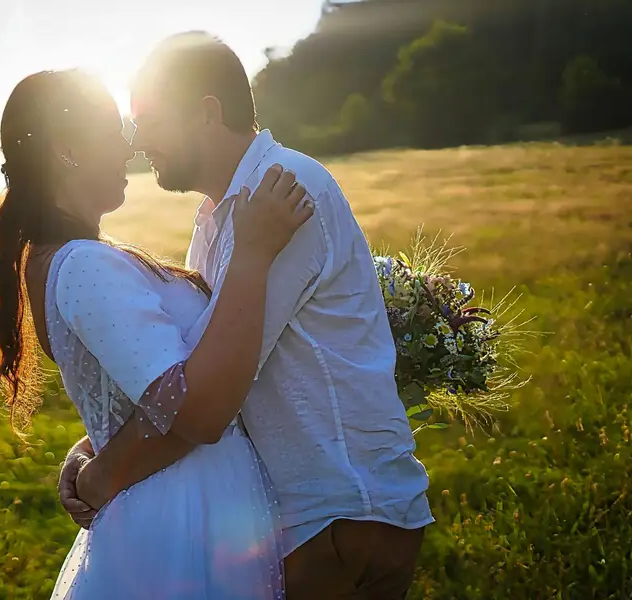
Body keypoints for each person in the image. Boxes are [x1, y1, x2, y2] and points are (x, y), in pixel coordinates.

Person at [58, 32, 435, 600]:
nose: (138, 144)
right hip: (312, 517)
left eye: (151, 120)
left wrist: (103, 476)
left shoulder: (285, 190)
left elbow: (207, 391)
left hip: (340, 510)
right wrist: (93, 446)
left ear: (207, 114)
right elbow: (182, 373)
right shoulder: (217, 218)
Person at [0, 68, 314, 599]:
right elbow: (192, 411)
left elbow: (135, 393)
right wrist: (253, 254)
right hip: (182, 521)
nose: (131, 145)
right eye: (115, 131)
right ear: (67, 149)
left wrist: (92, 452)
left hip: (192, 506)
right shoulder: (84, 267)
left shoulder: (76, 260)